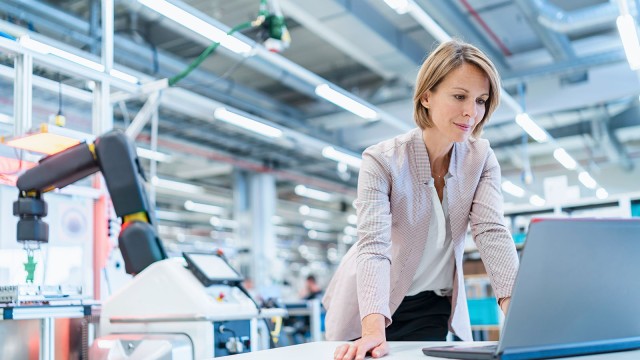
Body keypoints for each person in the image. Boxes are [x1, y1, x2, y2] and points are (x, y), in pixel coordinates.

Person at [322, 39, 520, 360]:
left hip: (430, 304)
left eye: (481, 100)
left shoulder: (480, 157)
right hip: (371, 306)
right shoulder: (382, 160)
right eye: (459, 96)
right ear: (427, 96)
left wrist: (519, 317)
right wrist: (373, 332)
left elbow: (492, 233)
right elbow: (373, 247)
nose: (472, 111)